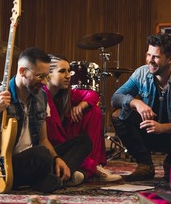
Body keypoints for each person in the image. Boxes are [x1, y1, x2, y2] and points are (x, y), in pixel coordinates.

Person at [0, 47, 92, 193]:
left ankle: (55, 177)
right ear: (22, 71)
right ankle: (51, 179)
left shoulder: (40, 96)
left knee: (83, 142)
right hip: (5, 165)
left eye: (46, 76)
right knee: (42, 155)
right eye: (39, 76)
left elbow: (43, 139)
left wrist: (57, 159)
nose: (44, 82)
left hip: (34, 158)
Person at [110, 33, 171, 181]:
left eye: (156, 57)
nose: (149, 60)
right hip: (148, 133)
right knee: (118, 114)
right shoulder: (141, 73)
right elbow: (115, 98)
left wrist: (163, 127)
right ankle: (145, 165)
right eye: (148, 55)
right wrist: (136, 103)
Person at [42, 54, 121, 182]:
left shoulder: (64, 94)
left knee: (93, 111)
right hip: (49, 149)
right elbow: (55, 139)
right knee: (81, 144)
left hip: (62, 145)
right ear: (48, 75)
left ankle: (82, 171)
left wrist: (81, 105)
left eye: (69, 71)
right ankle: (88, 170)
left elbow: (93, 94)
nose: (68, 76)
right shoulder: (42, 96)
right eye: (62, 71)